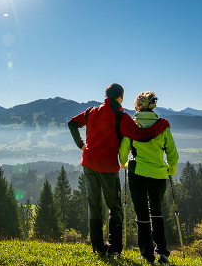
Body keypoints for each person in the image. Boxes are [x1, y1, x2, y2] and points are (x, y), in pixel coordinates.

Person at [68, 83, 171, 256]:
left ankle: (98, 247)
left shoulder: (90, 111)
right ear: (121, 97)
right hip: (107, 167)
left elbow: (72, 123)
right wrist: (163, 124)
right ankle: (114, 247)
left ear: (106, 94)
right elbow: (141, 135)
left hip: (88, 163)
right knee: (114, 207)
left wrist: (81, 145)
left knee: (93, 205)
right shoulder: (121, 116)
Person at [119, 91, 178, 264]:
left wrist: (124, 164)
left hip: (138, 173)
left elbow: (124, 151)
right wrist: (170, 170)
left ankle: (146, 253)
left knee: (142, 214)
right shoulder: (163, 126)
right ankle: (162, 252)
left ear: (138, 105)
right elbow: (172, 153)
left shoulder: (132, 125)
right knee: (157, 212)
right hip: (159, 175)